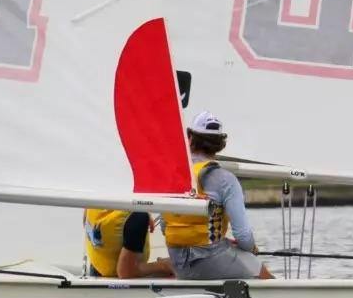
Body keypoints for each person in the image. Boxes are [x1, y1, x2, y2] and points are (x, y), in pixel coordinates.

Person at [161, 111, 272, 281]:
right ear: (221, 144)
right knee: (259, 269)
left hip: (178, 263)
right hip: (208, 260)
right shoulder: (225, 179)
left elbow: (164, 227)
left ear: (189, 137)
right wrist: (250, 248)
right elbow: (243, 236)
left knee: (231, 251)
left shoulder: (171, 175)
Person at [82, 208, 173, 279]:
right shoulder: (137, 217)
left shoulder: (95, 199)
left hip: (97, 264)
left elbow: (85, 221)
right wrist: (164, 266)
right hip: (116, 283)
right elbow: (125, 273)